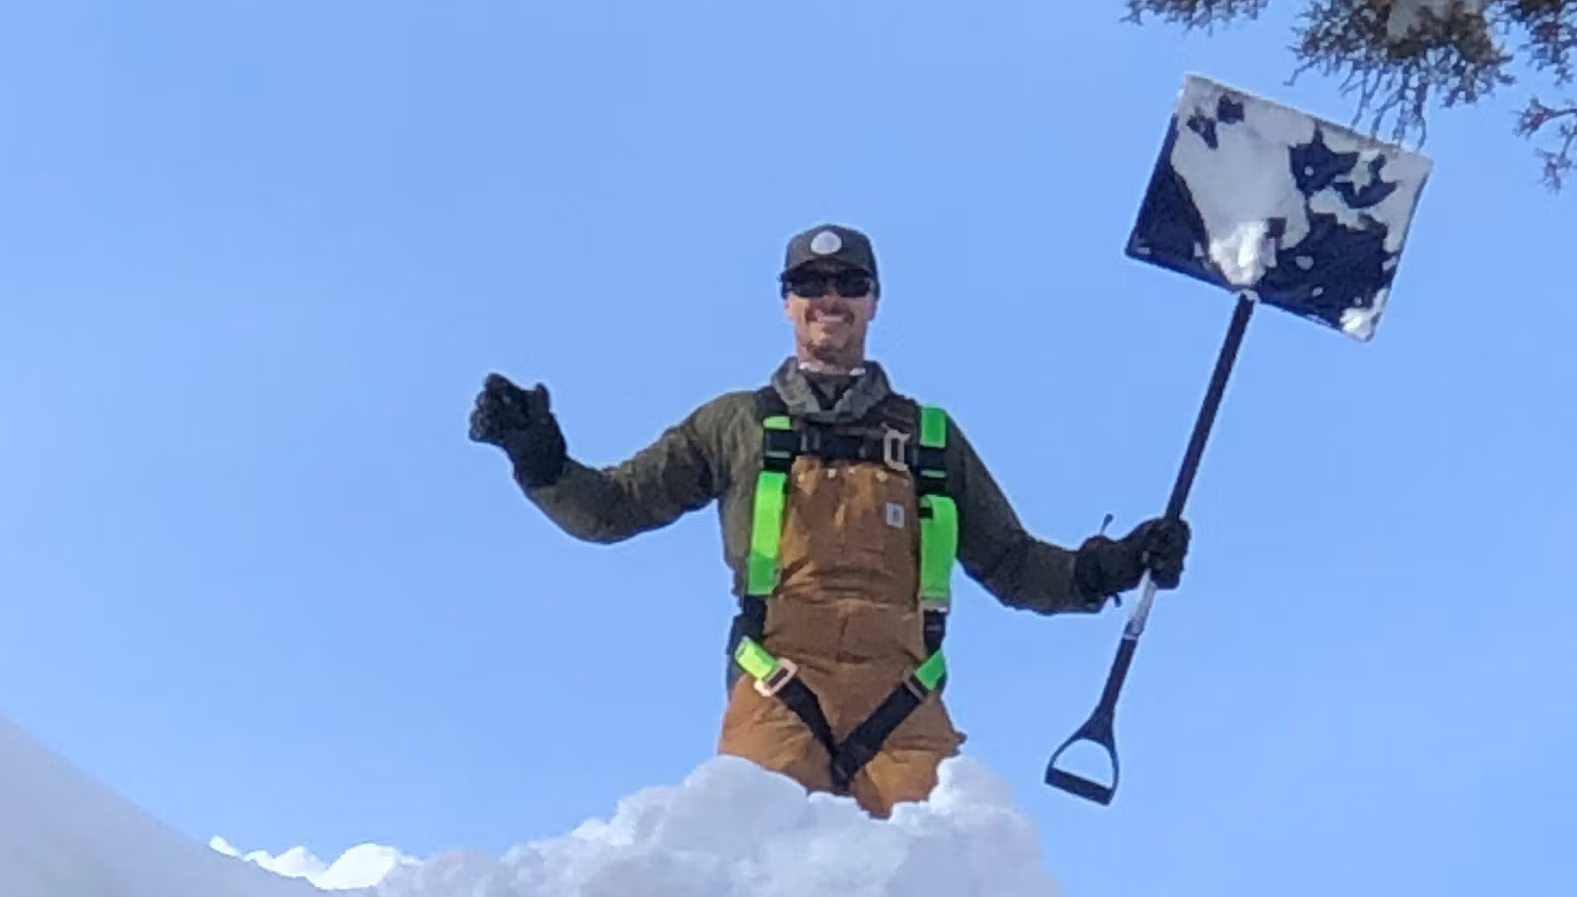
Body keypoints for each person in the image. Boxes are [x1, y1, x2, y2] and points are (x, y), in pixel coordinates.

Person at [469, 222, 1189, 816]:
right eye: (811, 286)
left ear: (874, 301)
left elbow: (1015, 566)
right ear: (787, 302)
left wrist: (1112, 564)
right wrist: (540, 459)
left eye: (849, 284)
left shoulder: (928, 438)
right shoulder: (737, 425)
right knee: (751, 877)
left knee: (934, 891)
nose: (830, 299)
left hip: (901, 697)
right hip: (780, 683)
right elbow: (614, 509)